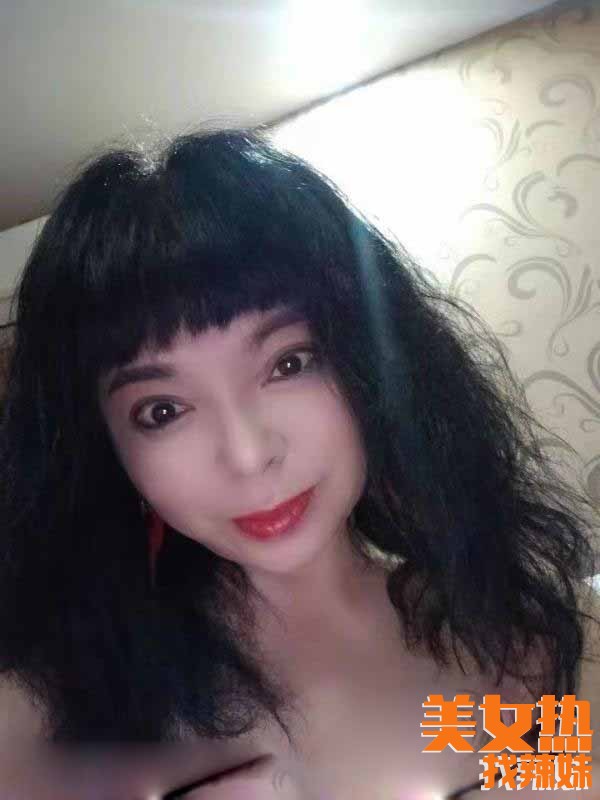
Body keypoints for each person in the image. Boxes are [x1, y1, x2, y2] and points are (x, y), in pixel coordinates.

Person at [0, 127, 598, 798]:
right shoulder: (48, 715)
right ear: (106, 450)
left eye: (289, 363)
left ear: (370, 361)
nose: (249, 454)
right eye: (162, 410)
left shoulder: (517, 627)